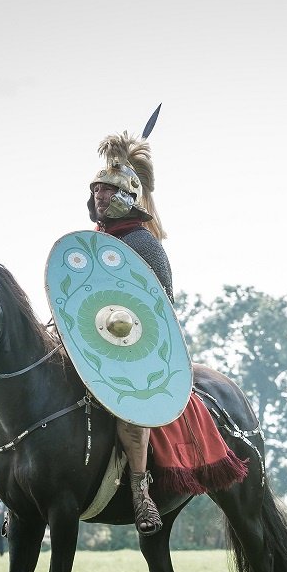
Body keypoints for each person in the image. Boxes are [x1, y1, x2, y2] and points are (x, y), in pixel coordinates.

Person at [87, 130, 171, 537]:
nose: (100, 197)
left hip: (130, 347)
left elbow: (164, 305)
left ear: (126, 196)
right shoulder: (91, 244)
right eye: (97, 190)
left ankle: (141, 491)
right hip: (88, 343)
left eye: (107, 190)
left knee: (130, 412)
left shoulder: (143, 243)